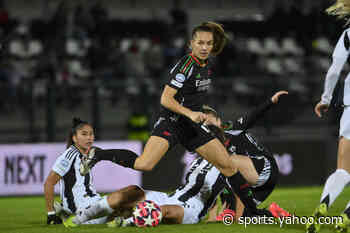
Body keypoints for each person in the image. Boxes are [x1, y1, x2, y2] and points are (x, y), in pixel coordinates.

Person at [80, 21, 255, 210]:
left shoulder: (206, 65)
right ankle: (99, 154)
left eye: (209, 43)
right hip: (172, 123)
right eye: (200, 43)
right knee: (144, 164)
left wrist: (204, 112)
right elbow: (166, 99)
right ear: (191, 44)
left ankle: (253, 211)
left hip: (192, 128)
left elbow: (190, 98)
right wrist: (190, 113)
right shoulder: (186, 65)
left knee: (227, 165)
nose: (204, 47)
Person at [63, 91, 290, 227]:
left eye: (209, 124)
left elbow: (233, 186)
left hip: (192, 208)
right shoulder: (203, 151)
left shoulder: (228, 158)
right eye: (202, 126)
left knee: (164, 212)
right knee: (129, 192)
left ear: (219, 124)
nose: (205, 128)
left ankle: (131, 221)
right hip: (173, 196)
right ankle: (84, 217)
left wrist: (241, 211)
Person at [44, 118, 142, 225]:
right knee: (133, 192)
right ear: (74, 138)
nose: (89, 138)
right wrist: (51, 214)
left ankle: (119, 221)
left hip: (94, 202)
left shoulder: (90, 154)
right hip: (82, 207)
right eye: (84, 134)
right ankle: (74, 217)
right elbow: (49, 183)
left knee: (135, 200)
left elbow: (116, 155)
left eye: (91, 134)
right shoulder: (69, 156)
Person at [307, 1, 350, 233]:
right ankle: (346, 216)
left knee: (343, 169)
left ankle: (324, 205)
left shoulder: (348, 34)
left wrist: (325, 98)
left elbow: (334, 70)